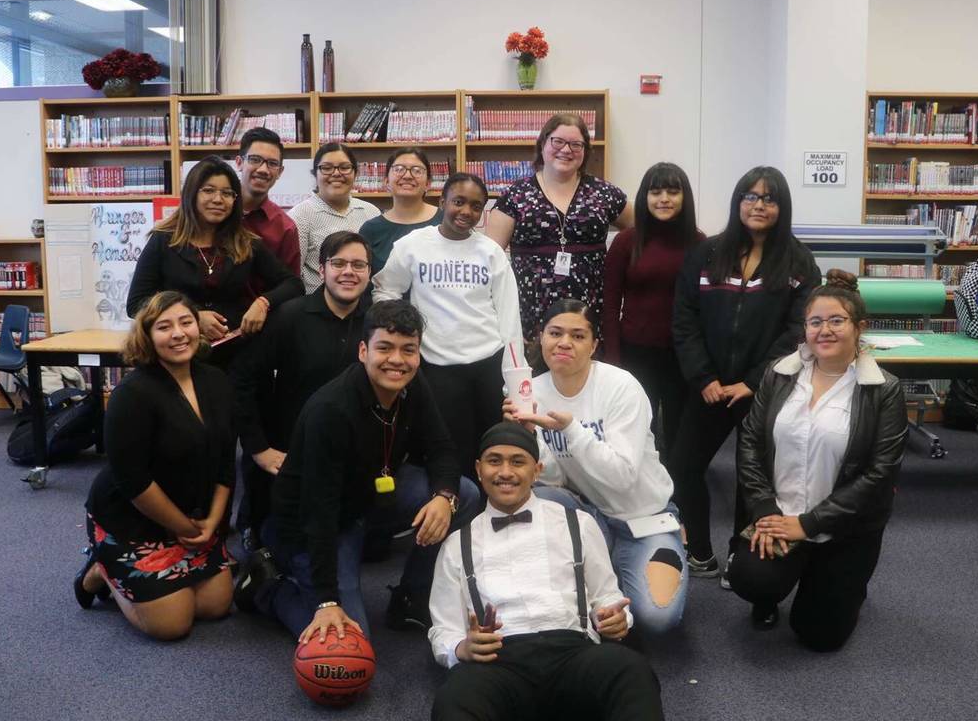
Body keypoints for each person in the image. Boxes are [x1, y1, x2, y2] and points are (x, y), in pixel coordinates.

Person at [236, 300, 480, 639]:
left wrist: (444, 497)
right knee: (346, 642)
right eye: (385, 348)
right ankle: (269, 590)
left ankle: (412, 596)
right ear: (363, 350)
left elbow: (441, 447)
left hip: (370, 499)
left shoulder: (412, 383)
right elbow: (317, 510)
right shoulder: (330, 410)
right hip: (314, 525)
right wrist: (326, 601)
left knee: (464, 494)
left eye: (408, 350)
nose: (397, 360)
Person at [428, 421, 665, 721]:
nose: (505, 472)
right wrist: (462, 647)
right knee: (454, 697)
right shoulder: (455, 545)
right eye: (494, 461)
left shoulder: (578, 523)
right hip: (499, 663)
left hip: (573, 652)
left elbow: (607, 596)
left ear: (537, 470)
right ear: (478, 469)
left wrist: (613, 619)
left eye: (518, 462)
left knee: (631, 671)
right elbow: (443, 627)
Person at [726, 270, 907, 650]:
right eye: (815, 322)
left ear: (860, 327)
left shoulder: (883, 390)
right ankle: (782, 586)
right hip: (779, 514)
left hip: (844, 527)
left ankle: (842, 580)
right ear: (804, 329)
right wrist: (763, 510)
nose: (825, 330)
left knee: (819, 636)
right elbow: (750, 446)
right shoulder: (779, 376)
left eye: (837, 321)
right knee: (751, 578)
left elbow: (878, 475)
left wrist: (807, 524)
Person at [670, 165, 820, 582]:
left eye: (769, 198)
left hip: (765, 390)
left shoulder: (799, 261)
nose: (758, 205)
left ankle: (741, 554)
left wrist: (754, 381)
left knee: (751, 476)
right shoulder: (707, 254)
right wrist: (703, 378)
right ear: (737, 202)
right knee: (683, 467)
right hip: (709, 388)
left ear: (781, 207)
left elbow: (798, 331)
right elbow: (684, 320)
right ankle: (700, 551)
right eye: (750, 197)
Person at [504, 299, 686, 637]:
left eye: (578, 335)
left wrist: (571, 430)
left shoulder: (621, 387)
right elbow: (554, 479)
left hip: (642, 515)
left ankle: (640, 553)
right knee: (542, 497)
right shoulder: (532, 391)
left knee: (657, 619)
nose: (564, 343)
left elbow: (623, 477)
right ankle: (601, 564)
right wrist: (529, 438)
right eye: (555, 333)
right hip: (587, 514)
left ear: (593, 345)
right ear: (539, 338)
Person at [73, 291, 236, 640]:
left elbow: (225, 459)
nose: (178, 333)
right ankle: (101, 570)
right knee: (172, 625)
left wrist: (213, 523)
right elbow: (134, 483)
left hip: (192, 516)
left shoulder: (217, 381)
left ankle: (127, 574)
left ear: (198, 327)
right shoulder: (131, 395)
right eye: (164, 327)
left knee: (216, 606)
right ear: (147, 337)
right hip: (132, 518)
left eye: (186, 322)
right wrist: (188, 529)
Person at [229, 231, 373, 552]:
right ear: (321, 270)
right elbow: (242, 379)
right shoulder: (289, 317)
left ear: (369, 273)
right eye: (338, 263)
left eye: (358, 265)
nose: (348, 272)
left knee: (369, 547)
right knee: (282, 545)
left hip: (354, 454)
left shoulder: (376, 323)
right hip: (292, 454)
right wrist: (258, 448)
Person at [373, 172, 524, 477]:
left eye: (476, 206)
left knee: (490, 446)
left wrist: (516, 382)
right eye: (458, 202)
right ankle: (453, 508)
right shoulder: (412, 245)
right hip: (436, 365)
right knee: (446, 448)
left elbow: (509, 320)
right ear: (442, 202)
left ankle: (486, 508)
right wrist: (403, 327)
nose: (466, 212)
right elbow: (385, 289)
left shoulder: (491, 252)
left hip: (487, 363)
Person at [126, 155, 303, 367]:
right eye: (209, 190)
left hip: (236, 357)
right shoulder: (164, 240)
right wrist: (192, 318)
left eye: (227, 193)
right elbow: (136, 304)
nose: (218, 199)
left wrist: (263, 302)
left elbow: (293, 284)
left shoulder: (245, 242)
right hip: (177, 356)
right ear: (192, 194)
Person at [485, 113, 633, 342]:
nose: (567, 150)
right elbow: (490, 262)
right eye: (558, 141)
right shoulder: (515, 195)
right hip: (529, 317)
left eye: (576, 144)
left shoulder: (604, 193)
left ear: (585, 151)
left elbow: (642, 228)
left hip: (589, 314)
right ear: (543, 143)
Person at [601, 162, 703, 454]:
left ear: (685, 198)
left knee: (678, 433)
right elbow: (609, 304)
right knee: (636, 430)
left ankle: (676, 493)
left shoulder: (698, 243)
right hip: (635, 352)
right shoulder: (625, 242)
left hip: (682, 355)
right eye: (655, 192)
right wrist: (613, 358)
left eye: (673, 191)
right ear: (644, 197)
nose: (664, 199)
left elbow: (704, 307)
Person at [288, 143, 381, 292]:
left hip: (364, 307)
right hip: (316, 308)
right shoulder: (299, 216)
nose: (336, 173)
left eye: (344, 167)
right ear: (315, 174)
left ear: (355, 173)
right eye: (326, 168)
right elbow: (292, 276)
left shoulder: (371, 212)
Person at [359, 147, 442, 276]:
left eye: (417, 170)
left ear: (428, 183)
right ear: (386, 181)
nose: (408, 176)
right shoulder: (371, 229)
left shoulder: (446, 222)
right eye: (398, 169)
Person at [235, 126, 301, 277]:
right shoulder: (216, 210)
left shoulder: (285, 228)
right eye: (255, 160)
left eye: (272, 163)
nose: (263, 169)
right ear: (239, 163)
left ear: (280, 172)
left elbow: (290, 285)